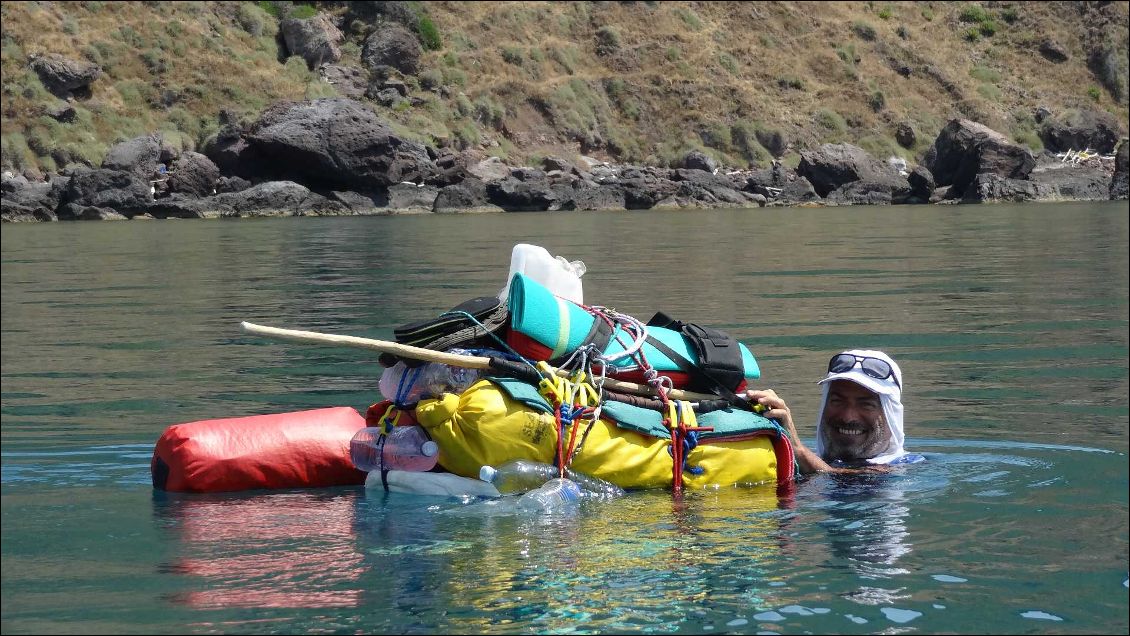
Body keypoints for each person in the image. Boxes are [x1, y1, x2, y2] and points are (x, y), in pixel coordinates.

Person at [746, 349, 924, 474]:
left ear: (891, 414)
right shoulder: (808, 460)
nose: (848, 417)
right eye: (837, 401)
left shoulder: (908, 468)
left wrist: (797, 450)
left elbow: (855, 483)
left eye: (866, 405)